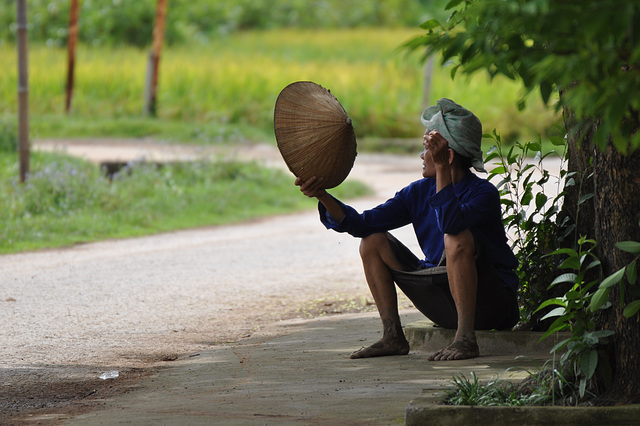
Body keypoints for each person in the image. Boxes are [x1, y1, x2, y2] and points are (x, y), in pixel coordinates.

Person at [296, 98, 519, 361]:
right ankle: (392, 336)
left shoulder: (483, 193)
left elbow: (451, 225)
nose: (421, 157)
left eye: (428, 151)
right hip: (443, 302)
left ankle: (465, 339)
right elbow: (362, 224)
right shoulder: (417, 192)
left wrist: (441, 172)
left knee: (456, 238)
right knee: (372, 241)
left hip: (492, 305)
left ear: (446, 157)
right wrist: (322, 195)